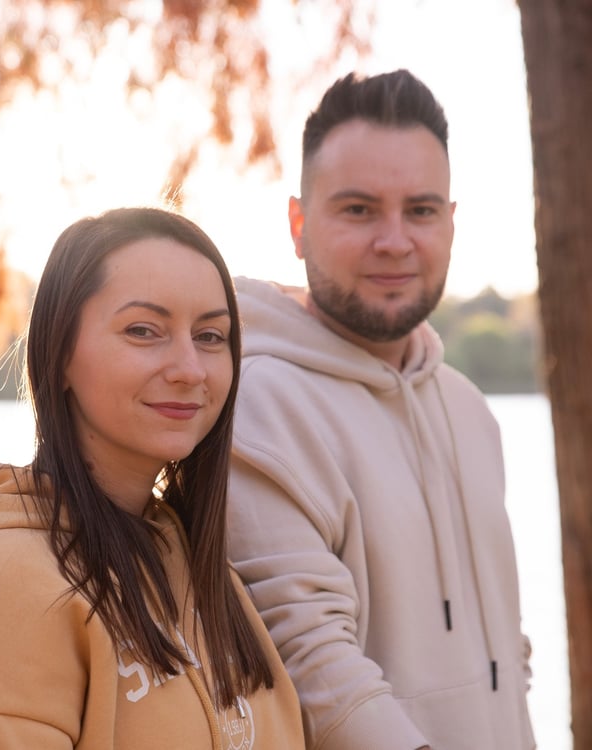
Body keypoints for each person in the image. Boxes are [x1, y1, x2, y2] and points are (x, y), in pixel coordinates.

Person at [0, 207, 306, 750]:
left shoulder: (198, 567)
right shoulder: (8, 578)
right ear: (61, 351)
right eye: (144, 331)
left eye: (211, 336)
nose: (190, 367)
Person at [226, 70, 536, 749]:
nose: (394, 241)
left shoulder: (468, 409)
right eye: (360, 210)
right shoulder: (255, 407)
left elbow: (506, 660)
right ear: (298, 225)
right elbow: (314, 671)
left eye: (420, 210)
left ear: (451, 224)